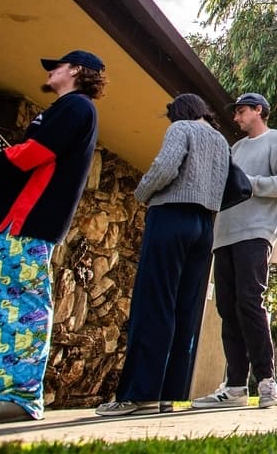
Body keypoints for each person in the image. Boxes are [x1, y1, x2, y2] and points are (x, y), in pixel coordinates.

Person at [0, 50, 106, 424]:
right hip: (9, 227)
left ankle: (20, 397)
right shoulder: (64, 110)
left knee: (18, 307)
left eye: (56, 67)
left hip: (25, 227)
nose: (50, 72)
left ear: (76, 70)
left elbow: (31, 155)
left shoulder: (76, 107)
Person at [96, 95, 230, 417]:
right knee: (185, 307)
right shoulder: (221, 142)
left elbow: (165, 167)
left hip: (171, 217)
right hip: (205, 225)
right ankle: (168, 394)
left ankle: (139, 394)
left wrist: (141, 193)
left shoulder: (181, 128)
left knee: (154, 302)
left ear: (180, 112)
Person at [192, 93, 277, 410]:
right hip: (223, 235)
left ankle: (267, 380)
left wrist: (248, 183)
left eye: (241, 111)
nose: (236, 117)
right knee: (227, 309)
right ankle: (236, 386)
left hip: (256, 232)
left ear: (258, 111)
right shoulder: (236, 149)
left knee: (250, 303)